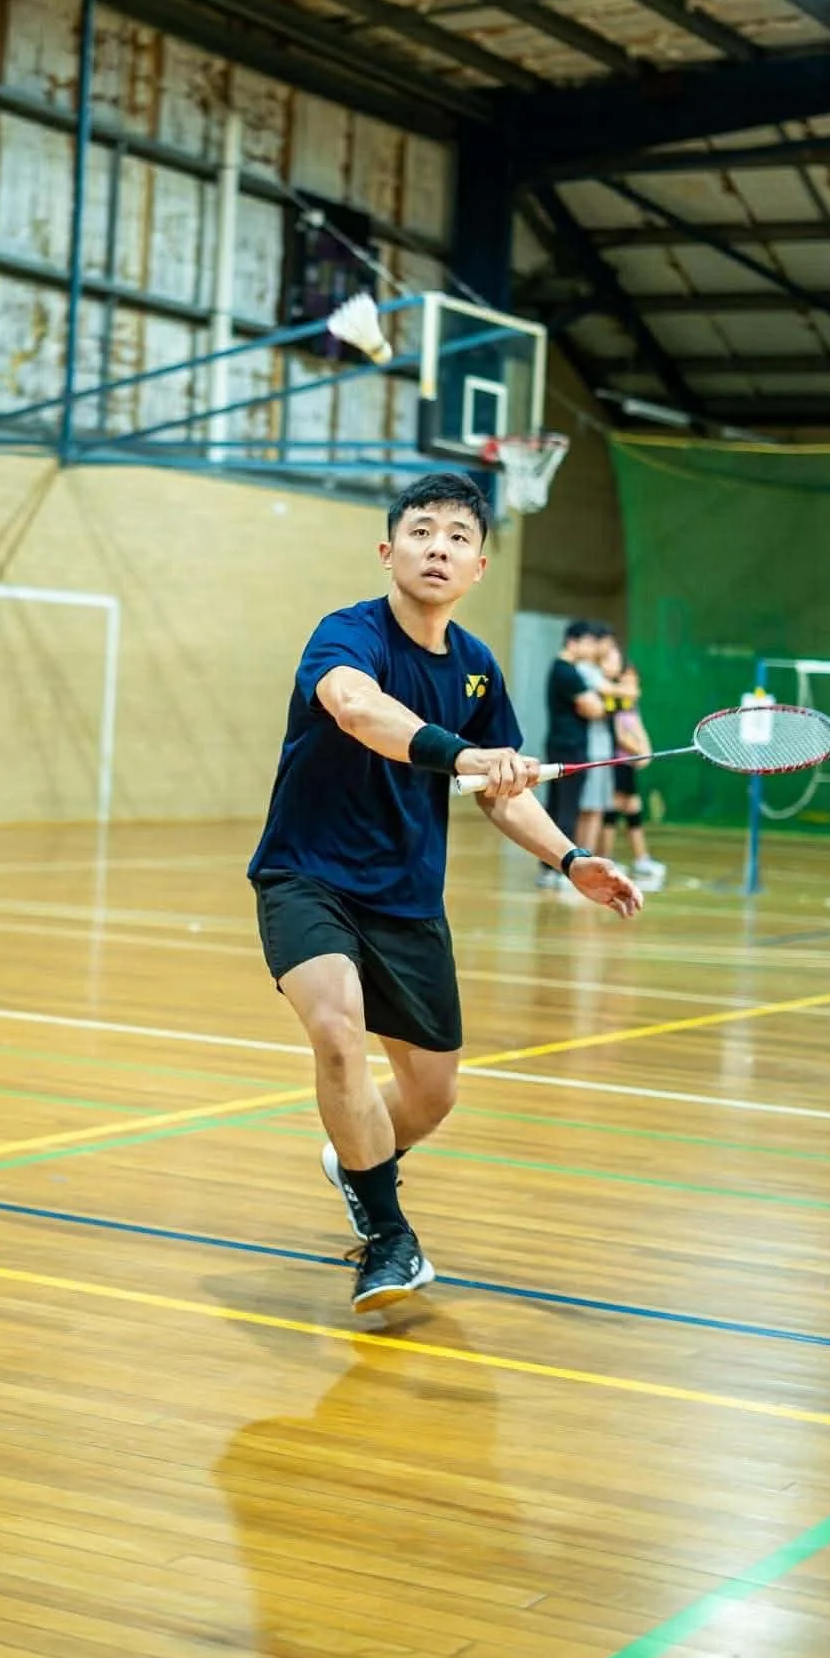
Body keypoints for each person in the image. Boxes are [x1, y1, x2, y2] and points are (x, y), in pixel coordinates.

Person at [248, 473, 643, 1316]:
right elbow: (358, 711)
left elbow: (505, 789)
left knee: (431, 1094)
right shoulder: (346, 635)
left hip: (406, 897)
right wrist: (463, 756)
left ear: (478, 567)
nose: (438, 546)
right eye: (421, 531)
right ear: (389, 550)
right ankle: (389, 1236)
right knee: (334, 1032)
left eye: (457, 537)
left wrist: (571, 858)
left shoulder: (476, 670)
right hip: (306, 873)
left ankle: (358, 1157)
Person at [538, 618, 609, 888]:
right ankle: (558, 869)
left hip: (563, 745)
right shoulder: (567, 671)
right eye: (588, 643)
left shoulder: (564, 669)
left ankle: (550, 867)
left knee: (559, 806)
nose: (592, 649)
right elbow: (594, 708)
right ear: (573, 642)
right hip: (569, 747)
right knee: (566, 808)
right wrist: (600, 704)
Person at [598, 636, 667, 891]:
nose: (633, 684)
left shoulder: (629, 701)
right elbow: (619, 732)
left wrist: (645, 749)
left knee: (631, 806)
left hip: (628, 762)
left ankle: (640, 859)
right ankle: (608, 859)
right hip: (615, 761)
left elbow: (636, 726)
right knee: (616, 806)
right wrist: (639, 751)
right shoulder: (611, 695)